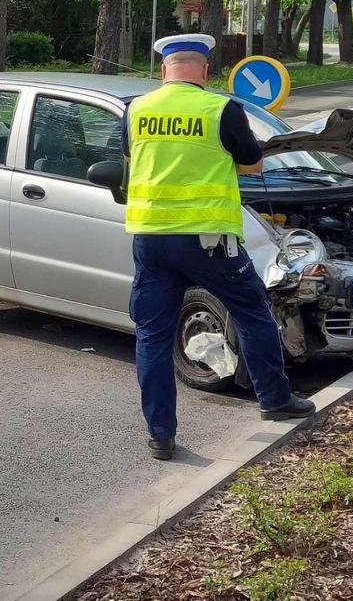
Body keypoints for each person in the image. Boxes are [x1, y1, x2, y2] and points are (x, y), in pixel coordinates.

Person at [122, 34, 315, 461]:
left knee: (152, 335)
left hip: (151, 239)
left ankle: (160, 435)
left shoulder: (136, 109)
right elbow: (252, 163)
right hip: (208, 240)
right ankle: (275, 399)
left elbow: (131, 157)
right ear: (205, 70)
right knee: (252, 314)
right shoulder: (220, 109)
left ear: (163, 70)